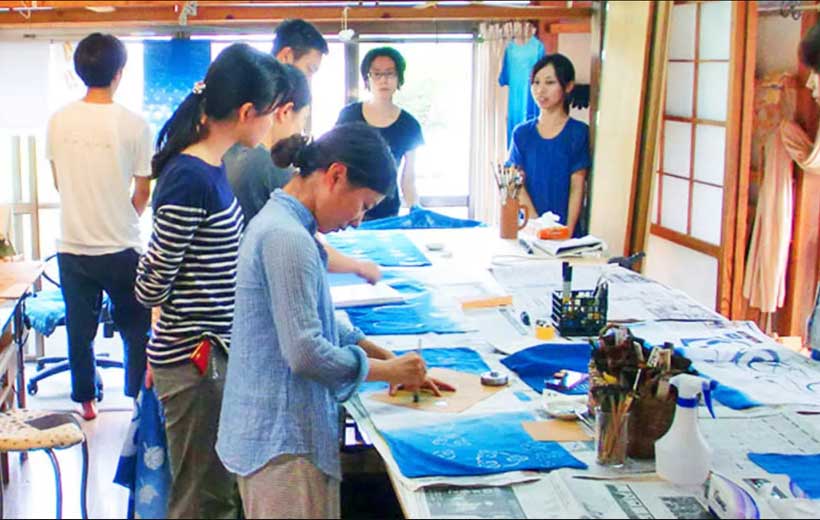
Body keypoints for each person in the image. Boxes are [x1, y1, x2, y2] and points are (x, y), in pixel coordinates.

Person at [216, 123, 453, 518]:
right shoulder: (287, 237)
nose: (359, 220)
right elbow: (306, 353)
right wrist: (386, 369)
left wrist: (388, 360)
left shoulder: (289, 225)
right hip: (283, 443)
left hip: (279, 434)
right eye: (362, 204)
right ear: (336, 175)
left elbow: (322, 318)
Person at [135, 43, 289, 519]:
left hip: (212, 356)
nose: (273, 124)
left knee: (217, 493)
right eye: (271, 113)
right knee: (203, 499)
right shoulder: (190, 177)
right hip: (195, 362)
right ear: (247, 112)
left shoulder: (211, 167)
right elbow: (150, 285)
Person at [224, 19, 382, 283]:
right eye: (310, 70)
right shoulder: (260, 163)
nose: (309, 80)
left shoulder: (242, 153)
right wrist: (359, 267)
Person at [45, 33, 151, 421]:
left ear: (79, 70)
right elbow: (142, 191)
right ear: (119, 73)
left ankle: (86, 402)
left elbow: (59, 181)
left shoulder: (58, 121)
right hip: (122, 245)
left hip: (72, 244)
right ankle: (137, 396)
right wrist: (119, 216)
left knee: (79, 329)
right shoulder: (135, 125)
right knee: (134, 327)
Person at [507, 53, 591, 237]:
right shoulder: (521, 133)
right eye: (536, 83)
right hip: (531, 229)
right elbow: (516, 183)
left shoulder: (578, 132)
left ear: (568, 86)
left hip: (567, 234)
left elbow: (578, 186)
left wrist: (566, 231)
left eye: (550, 82)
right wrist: (539, 225)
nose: (540, 90)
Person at [336, 46, 424, 220]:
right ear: (367, 79)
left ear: (399, 78)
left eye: (390, 73)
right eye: (377, 74)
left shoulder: (409, 125)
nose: (384, 80)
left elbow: (408, 178)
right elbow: (334, 161)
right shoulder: (349, 115)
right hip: (348, 207)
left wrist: (416, 210)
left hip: (387, 211)